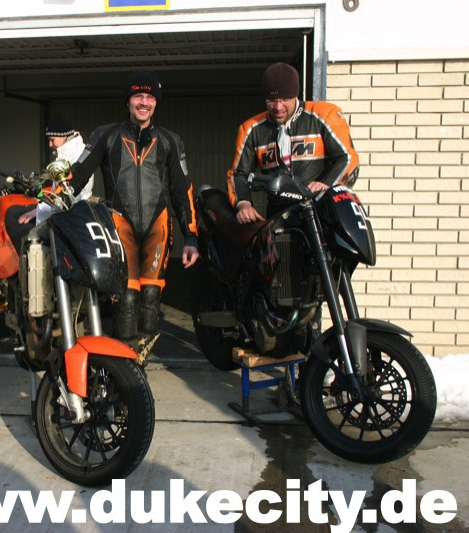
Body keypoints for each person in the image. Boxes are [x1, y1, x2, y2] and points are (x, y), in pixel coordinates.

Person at [66, 70, 199, 364]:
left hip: (157, 227)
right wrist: (49, 195)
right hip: (119, 225)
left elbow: (182, 189)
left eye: (150, 97)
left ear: (156, 102)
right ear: (127, 101)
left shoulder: (170, 140)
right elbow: (78, 174)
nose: (144, 102)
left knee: (150, 299)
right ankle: (124, 367)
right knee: (126, 299)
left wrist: (191, 236)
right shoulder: (106, 135)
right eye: (138, 96)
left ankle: (141, 365)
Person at [228, 62, 360, 224]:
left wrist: (326, 184)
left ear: (296, 95)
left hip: (321, 212)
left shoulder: (324, 115)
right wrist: (243, 204)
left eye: (285, 99)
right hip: (278, 217)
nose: (278, 107)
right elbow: (239, 174)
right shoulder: (250, 129)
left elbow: (348, 158)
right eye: (272, 100)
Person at [16, 115, 94, 226]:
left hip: (73, 213)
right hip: (65, 210)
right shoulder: (66, 153)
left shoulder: (77, 154)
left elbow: (69, 194)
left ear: (64, 136)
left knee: (33, 234)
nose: (50, 144)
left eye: (52, 140)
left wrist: (40, 211)